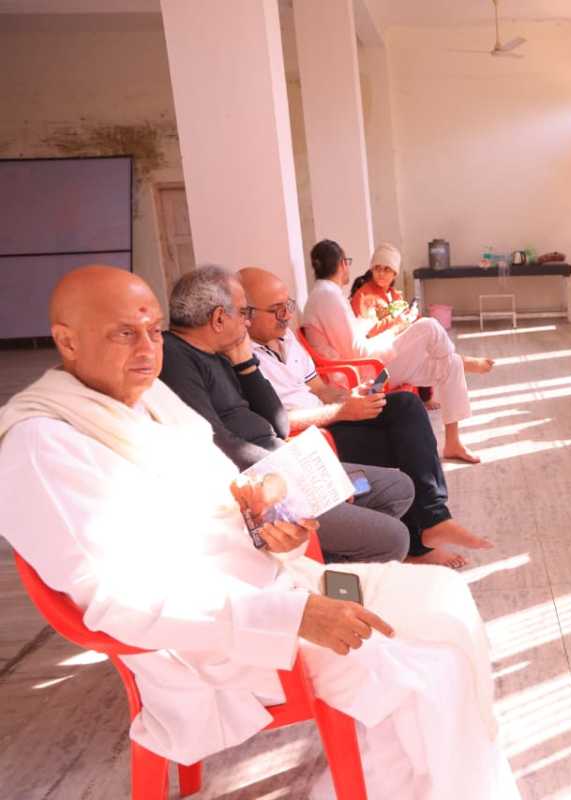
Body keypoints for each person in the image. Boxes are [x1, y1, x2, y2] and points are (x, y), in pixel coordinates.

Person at [0, 265, 519, 798]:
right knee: (430, 673)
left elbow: (215, 500)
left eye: (153, 330)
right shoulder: (41, 447)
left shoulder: (147, 399)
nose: (148, 348)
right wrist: (295, 615)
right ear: (67, 340)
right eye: (124, 333)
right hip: (221, 642)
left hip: (275, 588)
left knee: (445, 597)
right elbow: (121, 598)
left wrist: (264, 526)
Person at [159, 265, 415, 565]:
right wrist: (297, 476)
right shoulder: (175, 358)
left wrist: (246, 364)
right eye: (243, 312)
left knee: (398, 488)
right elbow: (217, 443)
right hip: (268, 491)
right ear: (218, 318)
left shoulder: (223, 353)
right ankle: (329, 562)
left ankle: (330, 555)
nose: (247, 321)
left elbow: (278, 424)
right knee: (395, 538)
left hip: (287, 464)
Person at [240, 267, 494, 569]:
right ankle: (421, 539)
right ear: (245, 314)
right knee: (402, 442)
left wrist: (349, 396)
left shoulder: (286, 339)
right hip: (313, 438)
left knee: (406, 406)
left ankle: (434, 519)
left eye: (288, 306)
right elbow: (279, 424)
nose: (286, 316)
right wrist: (340, 411)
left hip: (333, 416)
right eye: (275, 310)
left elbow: (319, 388)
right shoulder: (244, 362)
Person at [302, 239, 492, 464]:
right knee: (429, 326)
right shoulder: (328, 296)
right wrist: (396, 331)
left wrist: (393, 330)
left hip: (366, 367)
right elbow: (357, 351)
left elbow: (354, 341)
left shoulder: (325, 294)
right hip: (364, 377)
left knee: (451, 365)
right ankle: (460, 358)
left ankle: (453, 443)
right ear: (343, 264)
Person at [350, 242, 406, 326]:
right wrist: (394, 321)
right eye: (377, 268)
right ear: (372, 270)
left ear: (394, 274)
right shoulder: (363, 296)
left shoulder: (395, 295)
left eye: (387, 269)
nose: (381, 273)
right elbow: (364, 329)